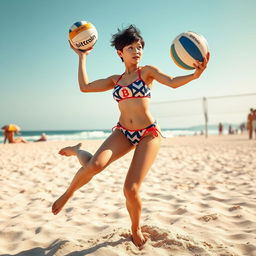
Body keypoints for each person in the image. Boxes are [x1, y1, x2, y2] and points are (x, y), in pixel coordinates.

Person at [51, 25, 209, 247]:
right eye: (131, 47)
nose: (137, 51)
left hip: (148, 134)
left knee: (130, 188)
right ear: (120, 53)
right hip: (123, 132)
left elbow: (172, 82)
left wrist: (195, 75)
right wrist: (82, 56)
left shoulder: (147, 72)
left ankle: (134, 227)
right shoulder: (115, 80)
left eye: (139, 47)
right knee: (94, 165)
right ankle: (70, 187)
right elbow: (84, 87)